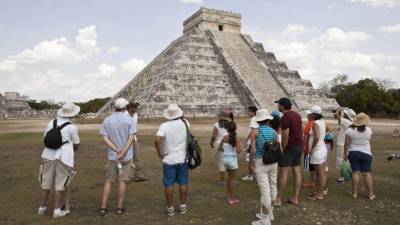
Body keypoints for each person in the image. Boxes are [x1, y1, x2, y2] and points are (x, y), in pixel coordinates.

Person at [38, 102, 80, 218]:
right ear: (72, 114)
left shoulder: (52, 122)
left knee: (45, 183)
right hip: (63, 158)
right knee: (60, 184)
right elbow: (77, 145)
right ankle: (57, 210)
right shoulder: (72, 127)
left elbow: (45, 138)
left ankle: (42, 207)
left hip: (47, 155)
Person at [99, 98, 136, 216]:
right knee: (122, 182)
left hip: (112, 156)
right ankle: (119, 208)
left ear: (115, 107)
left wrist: (116, 150)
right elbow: (131, 139)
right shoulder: (130, 120)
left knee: (109, 181)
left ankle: (103, 207)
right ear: (126, 107)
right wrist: (123, 152)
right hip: (126, 156)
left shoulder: (107, 120)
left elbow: (105, 138)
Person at [155, 104, 189, 216]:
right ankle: (183, 206)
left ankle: (170, 208)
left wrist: (160, 153)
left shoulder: (164, 126)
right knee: (183, 183)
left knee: (169, 184)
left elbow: (157, 140)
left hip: (169, 159)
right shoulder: (186, 123)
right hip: (182, 159)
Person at [250, 109, 278, 225]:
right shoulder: (273, 132)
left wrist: (251, 162)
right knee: (272, 186)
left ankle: (265, 220)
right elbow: (277, 146)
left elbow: (252, 149)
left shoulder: (255, 132)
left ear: (258, 120)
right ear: (267, 120)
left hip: (261, 161)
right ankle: (269, 213)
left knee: (264, 190)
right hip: (273, 162)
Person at [275, 97, 303, 206]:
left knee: (283, 173)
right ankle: (295, 197)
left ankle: (278, 199)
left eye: (278, 104)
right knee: (296, 171)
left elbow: (285, 137)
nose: (277, 106)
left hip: (290, 147)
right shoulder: (297, 115)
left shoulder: (285, 118)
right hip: (299, 145)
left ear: (282, 105)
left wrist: (282, 149)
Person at [344, 113, 375, 200]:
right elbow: (368, 140)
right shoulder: (369, 130)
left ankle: (354, 193)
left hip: (353, 152)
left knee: (355, 172)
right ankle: (370, 194)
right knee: (367, 173)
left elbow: (346, 144)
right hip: (366, 153)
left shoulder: (349, 130)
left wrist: (345, 154)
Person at [218, 121, 242, 204]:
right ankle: (231, 199)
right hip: (233, 161)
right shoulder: (236, 138)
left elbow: (220, 149)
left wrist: (226, 150)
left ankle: (228, 194)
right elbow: (239, 151)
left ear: (227, 129)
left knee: (229, 178)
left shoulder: (224, 137)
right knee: (232, 179)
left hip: (225, 159)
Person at [307, 106, 328, 201]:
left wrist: (312, 149)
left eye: (310, 113)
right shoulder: (322, 122)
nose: (309, 115)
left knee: (320, 173)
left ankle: (320, 194)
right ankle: (319, 191)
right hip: (322, 148)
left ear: (314, 114)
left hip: (318, 150)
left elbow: (317, 137)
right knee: (321, 173)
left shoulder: (315, 123)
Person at [126, 102, 149, 182]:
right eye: (135, 107)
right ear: (131, 107)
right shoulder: (124, 115)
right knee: (125, 158)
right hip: (125, 140)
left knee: (136, 157)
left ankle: (138, 175)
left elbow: (134, 127)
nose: (137, 109)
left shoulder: (135, 115)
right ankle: (125, 175)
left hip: (133, 138)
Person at [210, 109, 234, 185]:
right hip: (229, 144)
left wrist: (211, 142)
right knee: (229, 161)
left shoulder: (217, 124)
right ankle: (232, 179)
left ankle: (223, 180)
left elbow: (214, 136)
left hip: (219, 144)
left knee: (220, 163)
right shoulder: (231, 124)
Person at [334, 108, 356, 182]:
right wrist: (340, 113)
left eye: (345, 114)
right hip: (345, 143)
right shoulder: (349, 122)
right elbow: (339, 121)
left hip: (342, 143)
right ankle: (347, 176)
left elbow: (336, 115)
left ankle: (342, 177)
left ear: (347, 115)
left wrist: (339, 109)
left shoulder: (346, 121)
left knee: (341, 160)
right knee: (346, 160)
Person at [242, 106, 258, 181]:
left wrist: (247, 139)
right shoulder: (258, 118)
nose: (248, 113)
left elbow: (252, 131)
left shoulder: (253, 119)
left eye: (249, 111)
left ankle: (250, 175)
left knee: (249, 159)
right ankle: (253, 174)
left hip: (252, 142)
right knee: (254, 159)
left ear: (253, 112)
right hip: (256, 141)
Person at [302, 110, 316, 189]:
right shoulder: (318, 123)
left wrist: (304, 145)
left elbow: (305, 136)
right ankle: (314, 182)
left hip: (309, 147)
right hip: (316, 147)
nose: (307, 116)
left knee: (311, 167)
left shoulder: (309, 124)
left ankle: (312, 182)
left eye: (308, 115)